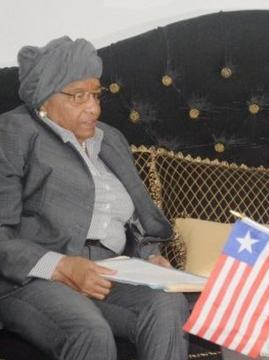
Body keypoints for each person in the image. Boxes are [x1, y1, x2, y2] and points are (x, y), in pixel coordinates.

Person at [0, 36, 189, 360]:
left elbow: (132, 220)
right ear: (44, 99)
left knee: (168, 303)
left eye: (96, 95)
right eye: (78, 96)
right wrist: (63, 266)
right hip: (33, 276)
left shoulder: (110, 138)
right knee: (89, 329)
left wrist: (149, 260)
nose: (93, 107)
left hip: (109, 269)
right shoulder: (13, 132)